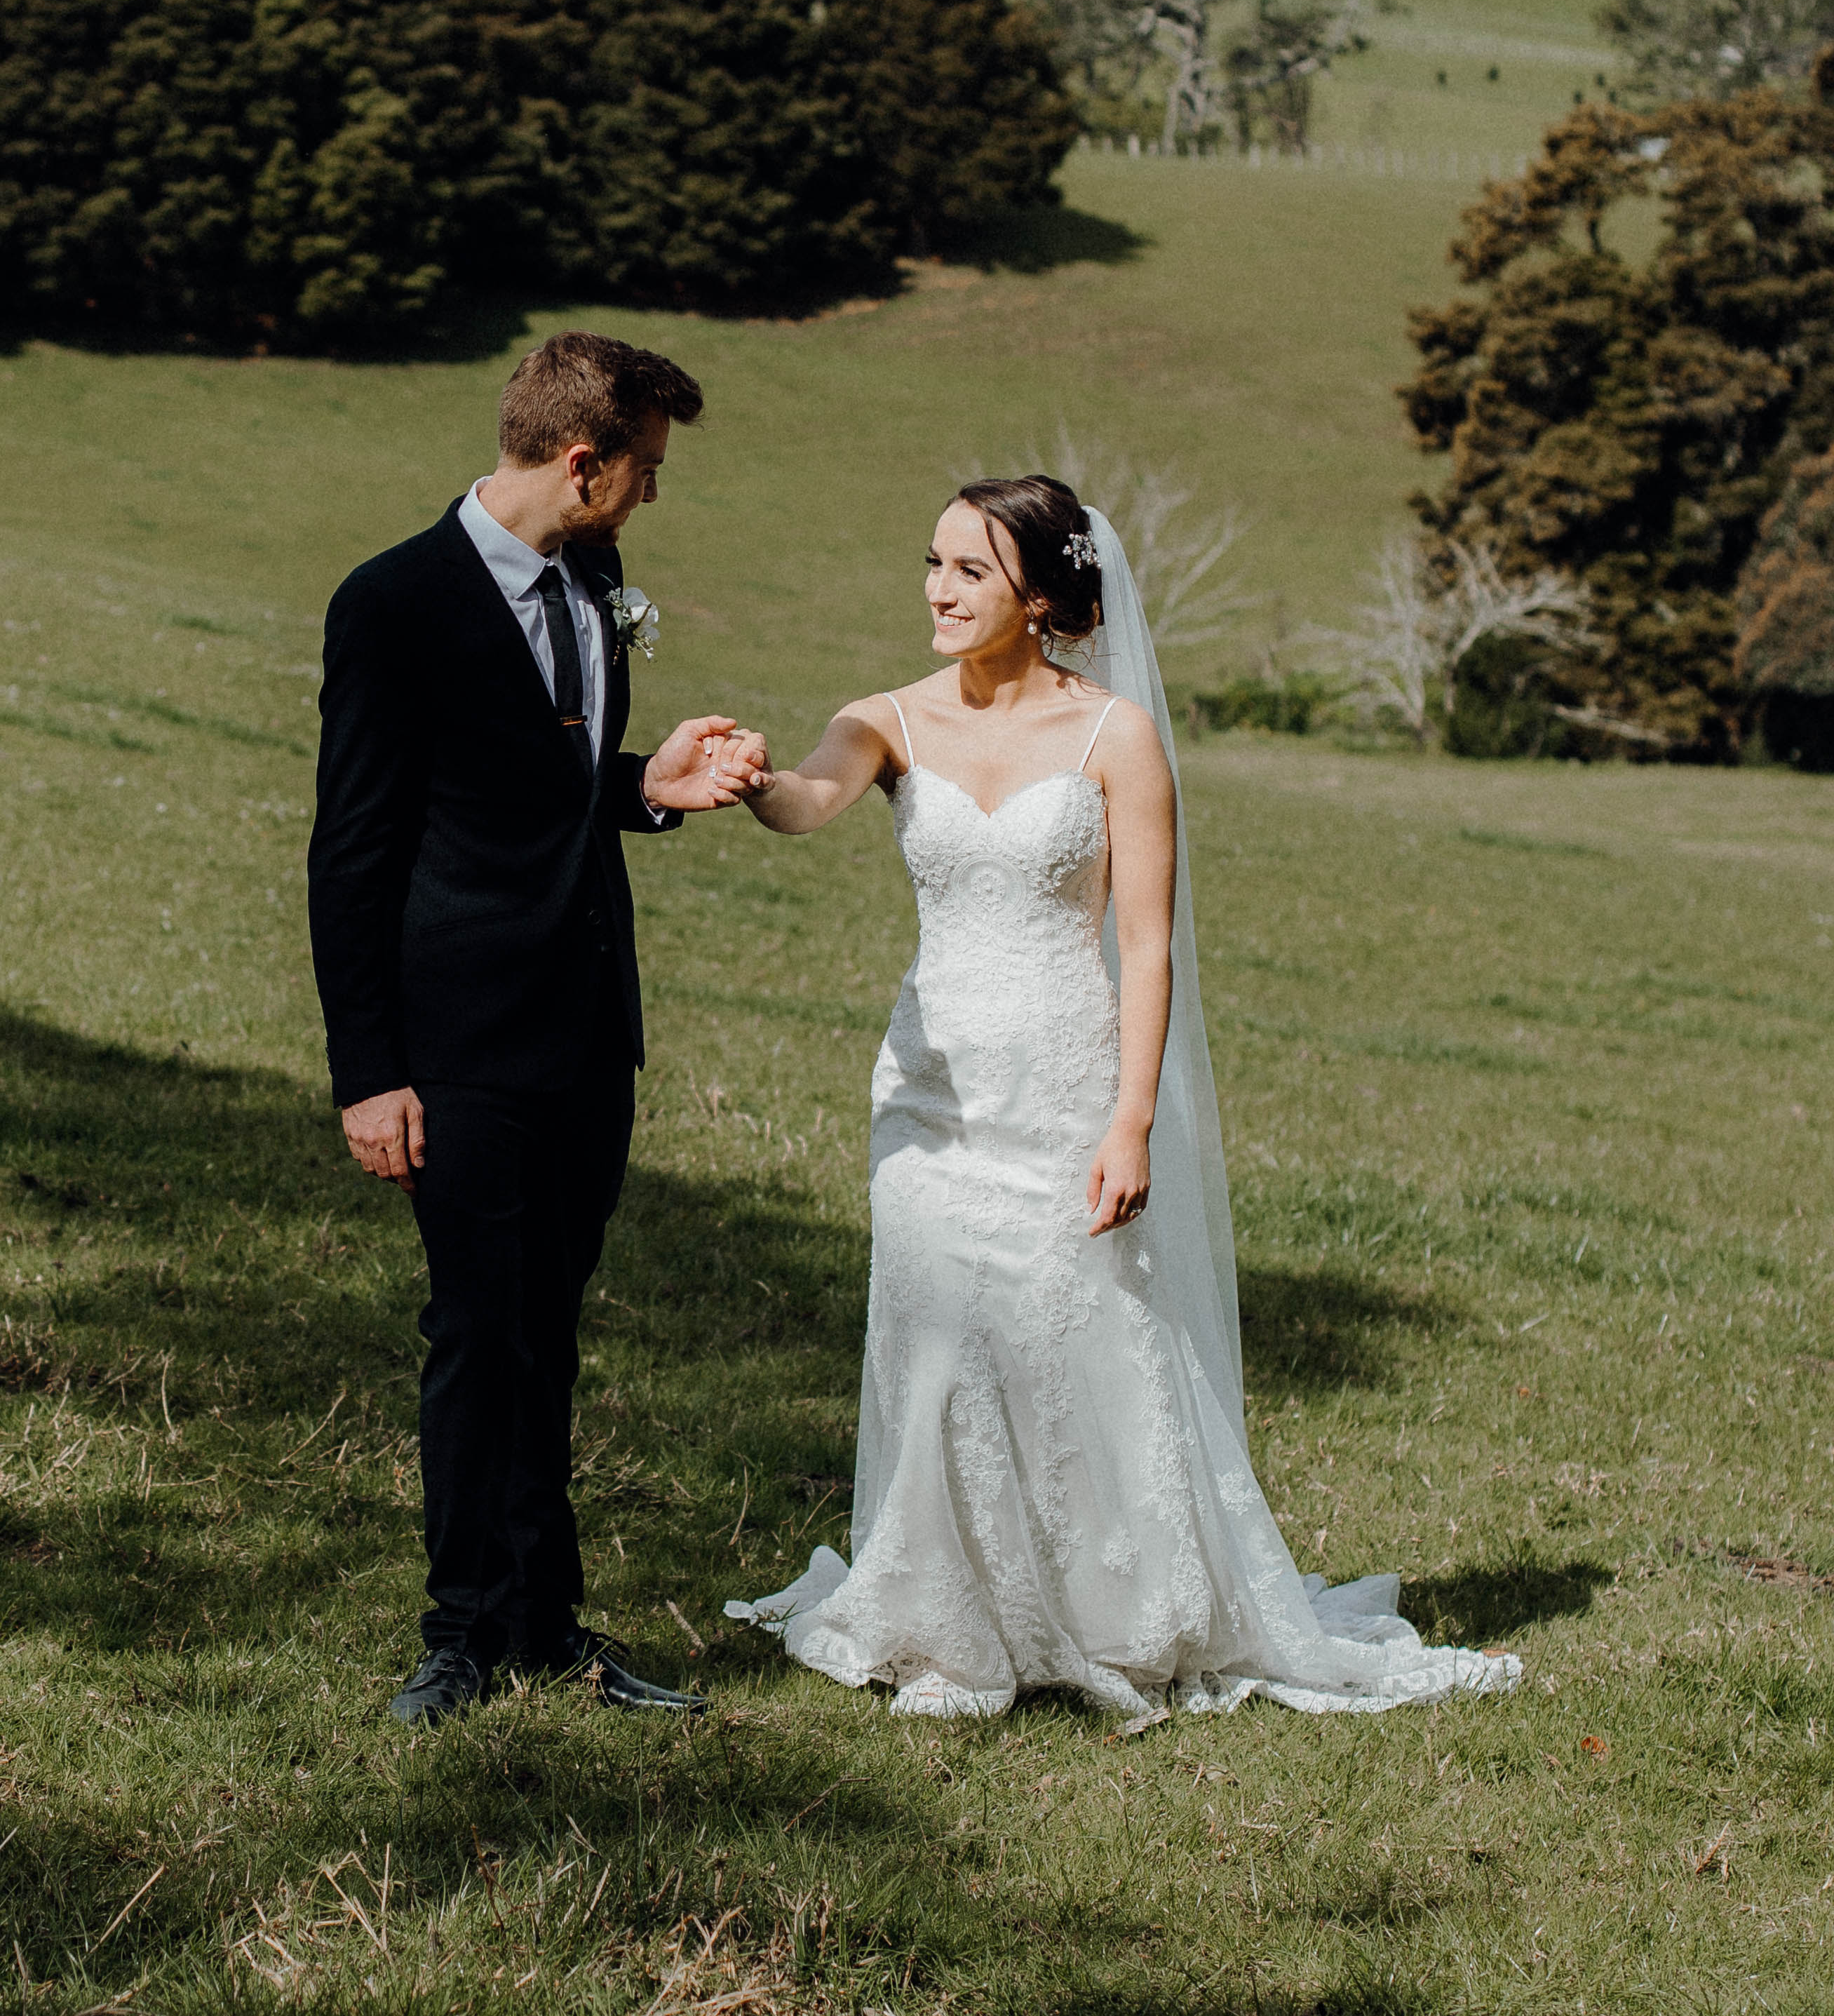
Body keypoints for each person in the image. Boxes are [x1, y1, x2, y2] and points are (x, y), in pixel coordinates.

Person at [721, 476, 1523, 1723]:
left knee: (1071, 1342)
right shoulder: (885, 719)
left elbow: (1145, 948)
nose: (937, 590)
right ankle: (948, 1621)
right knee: (936, 1346)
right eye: (930, 563)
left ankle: (1111, 1609)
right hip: (930, 1095)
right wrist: (748, 775)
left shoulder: (1116, 738)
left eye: (969, 572)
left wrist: (1131, 1120)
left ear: (1040, 596)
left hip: (1068, 1085)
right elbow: (807, 801)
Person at [307, 333, 767, 1729]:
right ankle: (459, 1634)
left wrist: (647, 787)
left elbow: (537, 785)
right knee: (476, 1328)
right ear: (583, 459)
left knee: (548, 1332)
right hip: (454, 1042)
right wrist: (370, 1070)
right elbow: (356, 847)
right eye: (645, 471)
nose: (648, 498)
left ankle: (548, 1625)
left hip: (585, 1032)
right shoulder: (393, 602)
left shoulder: (592, 577)